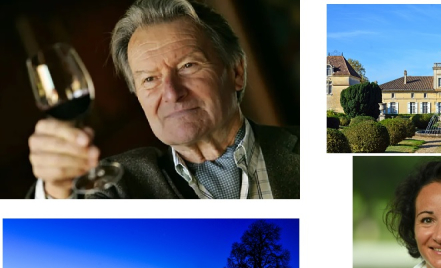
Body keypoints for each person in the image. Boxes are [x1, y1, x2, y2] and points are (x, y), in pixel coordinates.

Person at [27, 0, 299, 199]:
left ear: (236, 72)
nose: (171, 92)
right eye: (149, 79)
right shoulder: (115, 188)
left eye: (188, 66)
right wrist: (55, 191)